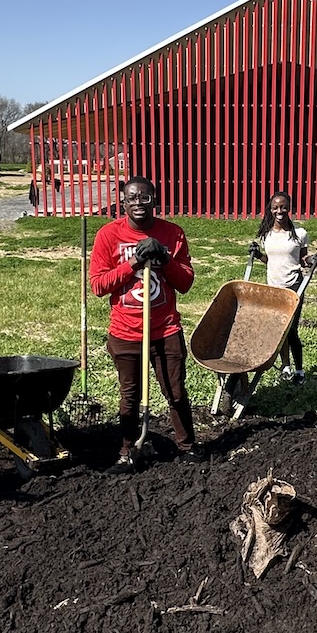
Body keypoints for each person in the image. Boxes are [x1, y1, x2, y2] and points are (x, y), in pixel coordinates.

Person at [90, 175, 199, 473]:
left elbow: (186, 282)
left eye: (145, 197)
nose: (139, 203)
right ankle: (128, 451)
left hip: (165, 329)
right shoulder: (108, 235)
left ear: (155, 199)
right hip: (125, 332)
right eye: (132, 198)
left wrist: (164, 257)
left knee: (175, 391)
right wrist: (133, 263)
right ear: (123, 202)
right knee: (130, 395)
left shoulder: (172, 233)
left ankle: (187, 447)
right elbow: (98, 286)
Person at [250, 191, 310, 384]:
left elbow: (303, 259)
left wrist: (312, 260)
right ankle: (285, 366)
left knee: (291, 330)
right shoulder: (267, 235)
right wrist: (258, 255)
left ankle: (299, 370)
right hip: (273, 288)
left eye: (283, 207)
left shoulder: (299, 234)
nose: (279, 211)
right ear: (270, 209)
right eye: (275, 207)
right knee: (279, 330)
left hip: (294, 286)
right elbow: (271, 260)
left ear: (289, 208)